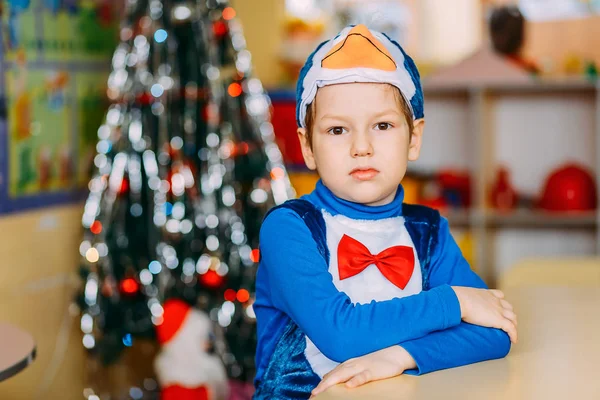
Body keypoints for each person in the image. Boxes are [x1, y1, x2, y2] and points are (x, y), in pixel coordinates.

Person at [253, 24, 517, 399]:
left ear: (415, 138)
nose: (362, 146)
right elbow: (340, 334)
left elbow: (496, 331)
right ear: (307, 146)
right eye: (337, 130)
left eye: (382, 125)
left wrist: (400, 356)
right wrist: (455, 301)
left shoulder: (428, 231)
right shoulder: (289, 228)